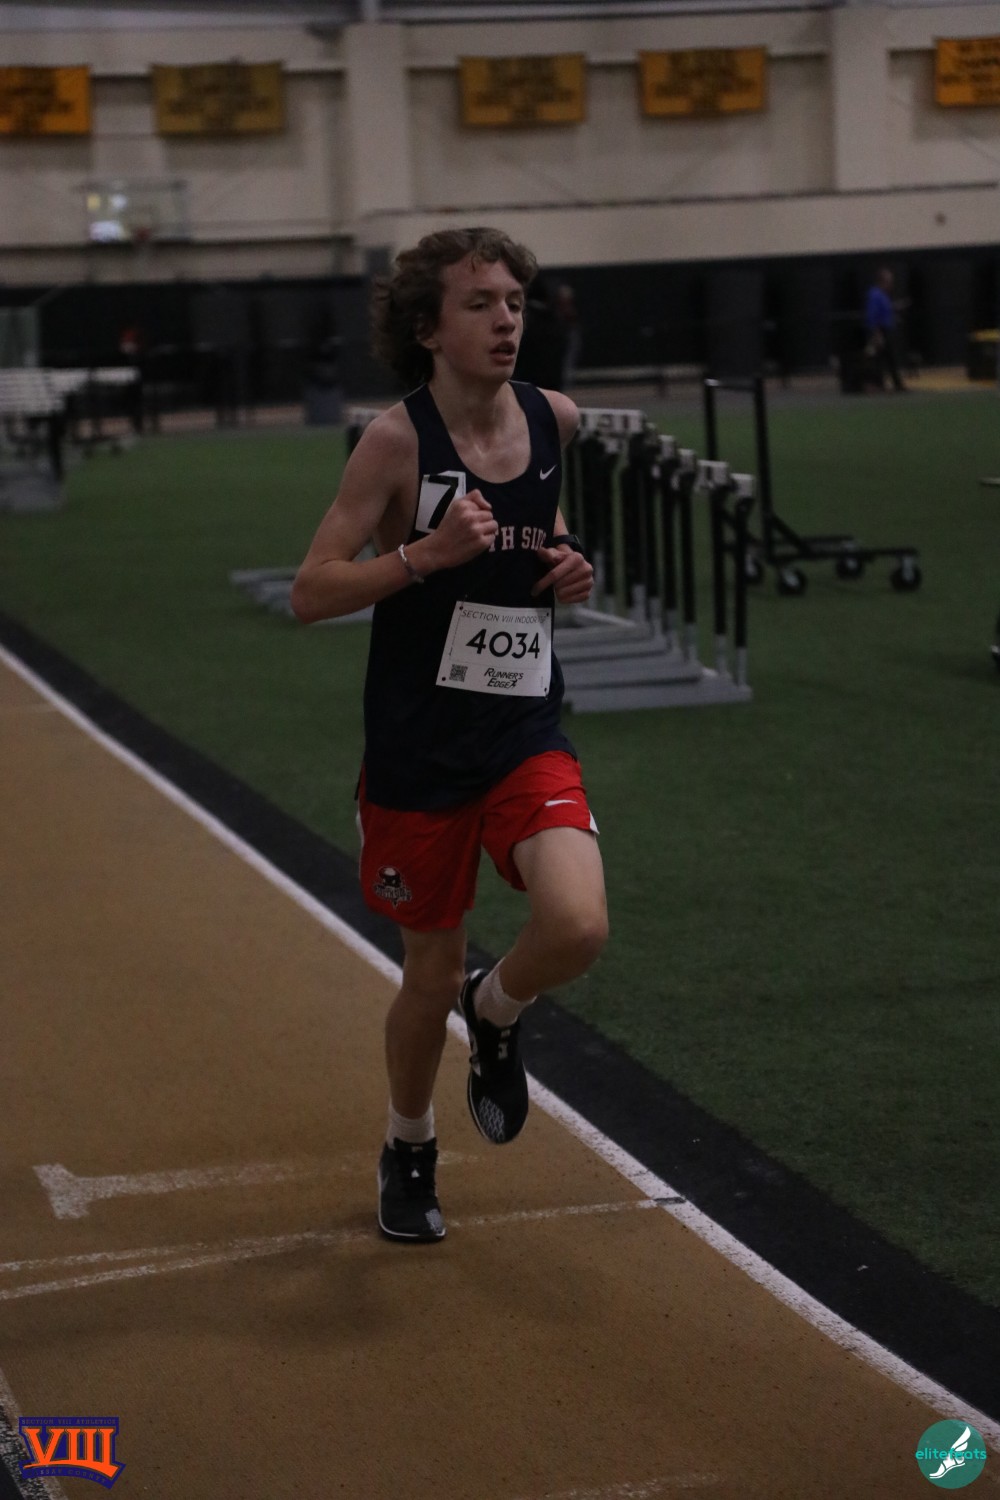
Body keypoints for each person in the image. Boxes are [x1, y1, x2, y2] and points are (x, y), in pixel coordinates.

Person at [290, 227, 609, 1245]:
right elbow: (310, 591)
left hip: (522, 727)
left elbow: (543, 530)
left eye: (514, 301)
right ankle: (409, 1144)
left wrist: (569, 562)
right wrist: (422, 558)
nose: (507, 320)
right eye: (480, 304)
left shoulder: (554, 418)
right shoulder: (395, 442)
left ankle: (500, 1008)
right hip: (417, 751)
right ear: (428, 328)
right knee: (425, 983)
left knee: (577, 926)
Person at [864, 267, 907, 392]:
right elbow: (873, 315)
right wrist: (877, 334)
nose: (891, 285)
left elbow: (884, 310)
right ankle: (880, 384)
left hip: (885, 329)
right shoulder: (875, 295)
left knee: (887, 358)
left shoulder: (882, 295)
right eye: (889, 282)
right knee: (881, 358)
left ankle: (892, 384)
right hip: (880, 331)